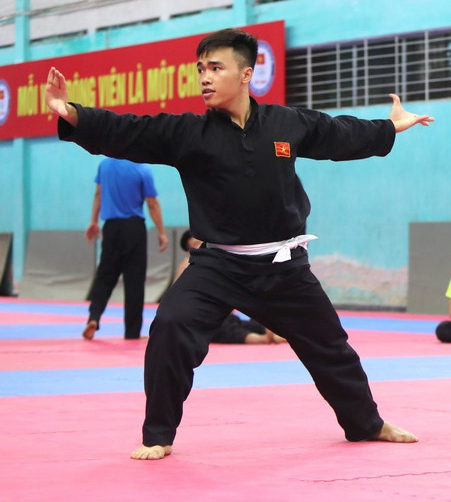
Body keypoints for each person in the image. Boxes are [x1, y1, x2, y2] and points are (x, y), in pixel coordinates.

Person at [45, 27, 430, 460]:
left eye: (215, 68)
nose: (204, 78)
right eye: (199, 70)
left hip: (284, 267)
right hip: (217, 267)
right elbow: (130, 130)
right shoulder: (187, 133)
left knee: (331, 346)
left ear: (246, 74)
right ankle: (157, 435)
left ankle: (367, 424)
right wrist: (72, 113)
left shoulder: (287, 123)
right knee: (171, 326)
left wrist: (390, 128)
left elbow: (338, 134)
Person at [83, 157, 168, 340]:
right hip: (133, 228)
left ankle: (94, 317)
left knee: (105, 276)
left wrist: (93, 221)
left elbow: (98, 194)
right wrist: (161, 231)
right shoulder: (141, 168)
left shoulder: (104, 165)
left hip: (111, 228)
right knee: (134, 281)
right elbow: (152, 203)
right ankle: (132, 331)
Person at [176, 230, 285, 345]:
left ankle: (273, 333)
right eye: (195, 244)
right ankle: (262, 339)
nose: (200, 245)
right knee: (229, 331)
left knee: (250, 323)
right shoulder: (188, 264)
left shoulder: (213, 262)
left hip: (226, 316)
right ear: (189, 249)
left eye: (201, 242)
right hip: (204, 319)